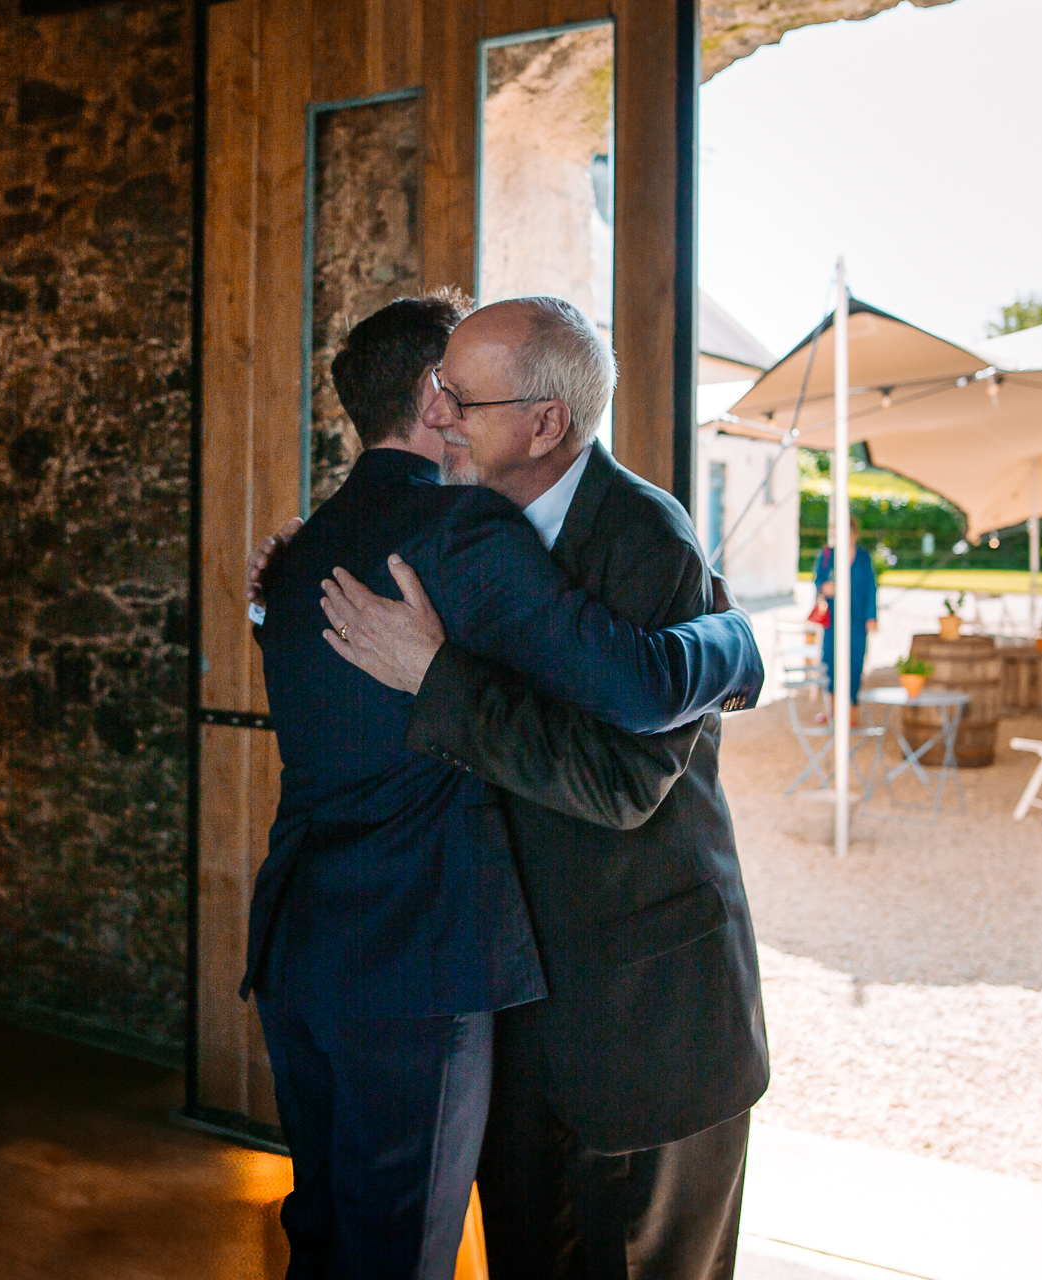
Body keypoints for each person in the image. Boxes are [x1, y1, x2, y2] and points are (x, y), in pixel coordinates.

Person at [245, 293, 764, 1279]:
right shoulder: (468, 533)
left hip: (643, 1019)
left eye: (458, 399)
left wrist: (737, 644)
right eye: (439, 390)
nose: (432, 413)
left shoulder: (645, 534)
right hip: (520, 1011)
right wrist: (282, 600)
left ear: (545, 423)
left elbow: (619, 783)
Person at [813, 513, 879, 717]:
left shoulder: (863, 558)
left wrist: (872, 617)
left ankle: (851, 712)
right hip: (833, 620)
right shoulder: (827, 555)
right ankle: (831, 711)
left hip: (857, 620)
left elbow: (871, 589)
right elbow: (817, 581)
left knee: (855, 662)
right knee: (830, 662)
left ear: (855, 534)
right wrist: (825, 587)